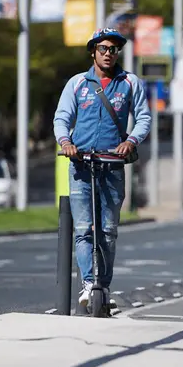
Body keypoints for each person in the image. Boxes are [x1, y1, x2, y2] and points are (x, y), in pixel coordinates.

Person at [53, 27, 152, 308]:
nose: (108, 54)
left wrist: (131, 140)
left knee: (107, 230)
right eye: (103, 49)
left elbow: (144, 118)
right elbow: (62, 117)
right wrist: (66, 141)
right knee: (83, 228)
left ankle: (103, 286)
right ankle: (88, 284)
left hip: (112, 165)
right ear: (93, 51)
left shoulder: (130, 82)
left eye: (113, 49)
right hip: (81, 164)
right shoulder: (77, 84)